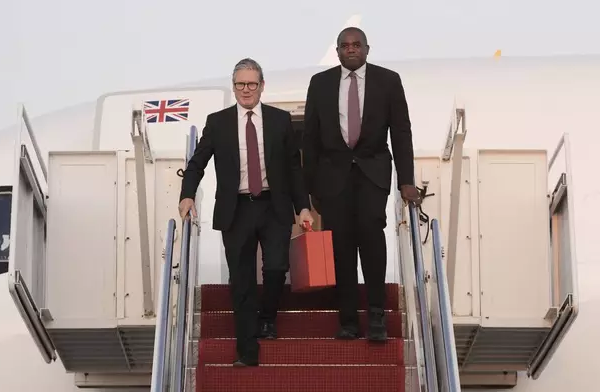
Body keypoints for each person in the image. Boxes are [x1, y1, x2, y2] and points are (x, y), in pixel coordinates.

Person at [179, 58, 314, 366]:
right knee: (241, 280)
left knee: (277, 267)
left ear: (262, 86)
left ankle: (267, 317)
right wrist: (187, 195)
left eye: (252, 83)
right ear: (234, 86)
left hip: (273, 205)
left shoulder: (280, 121)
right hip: (236, 209)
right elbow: (197, 163)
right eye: (240, 84)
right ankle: (247, 352)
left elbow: (294, 168)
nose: (246, 90)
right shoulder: (218, 122)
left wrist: (303, 207)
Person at [302, 27, 421, 342]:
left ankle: (377, 316)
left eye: (356, 45)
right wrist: (310, 185)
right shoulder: (321, 83)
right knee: (341, 245)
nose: (351, 49)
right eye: (345, 45)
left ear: (367, 49)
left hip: (373, 172)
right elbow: (310, 138)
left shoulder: (388, 81)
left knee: (370, 235)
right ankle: (349, 321)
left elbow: (401, 132)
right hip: (333, 177)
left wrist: (406, 180)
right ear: (337, 50)